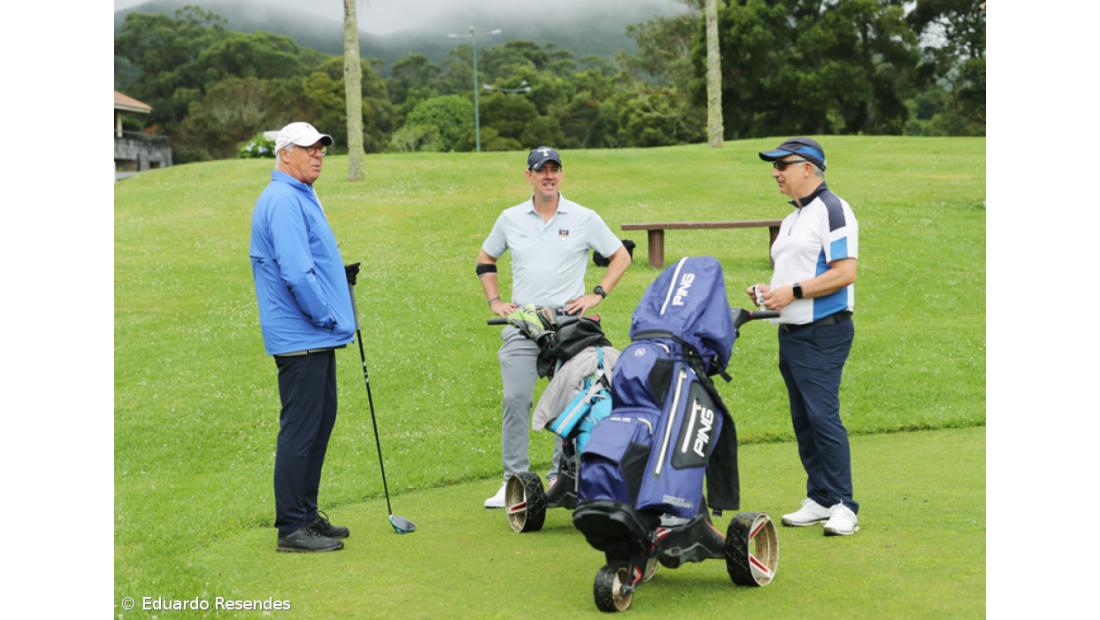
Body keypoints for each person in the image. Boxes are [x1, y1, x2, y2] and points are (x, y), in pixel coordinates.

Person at [476, 146, 632, 508]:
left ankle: (560, 478)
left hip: (570, 325)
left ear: (561, 173)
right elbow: (486, 258)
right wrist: (495, 301)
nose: (549, 175)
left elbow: (619, 256)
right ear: (528, 175)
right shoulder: (510, 218)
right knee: (517, 399)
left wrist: (597, 293)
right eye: (541, 170)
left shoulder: (583, 217)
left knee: (572, 400)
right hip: (525, 323)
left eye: (554, 169)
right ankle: (512, 479)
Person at [250, 122, 355, 551]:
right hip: (303, 335)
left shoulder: (299, 195)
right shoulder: (282, 199)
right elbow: (295, 271)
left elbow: (310, 259)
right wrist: (328, 314)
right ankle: (291, 528)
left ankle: (308, 516)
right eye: (309, 149)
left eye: (321, 151)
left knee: (319, 423)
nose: (317, 156)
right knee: (300, 430)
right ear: (285, 153)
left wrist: (338, 279)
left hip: (314, 336)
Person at [749, 137, 860, 536]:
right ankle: (820, 497)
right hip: (792, 333)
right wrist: (769, 291)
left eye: (783, 165)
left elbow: (844, 272)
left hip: (824, 333)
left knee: (822, 416)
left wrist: (791, 292)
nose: (776, 173)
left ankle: (845, 504)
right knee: (804, 419)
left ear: (809, 168)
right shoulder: (795, 216)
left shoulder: (832, 209)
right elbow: (796, 272)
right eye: (774, 166)